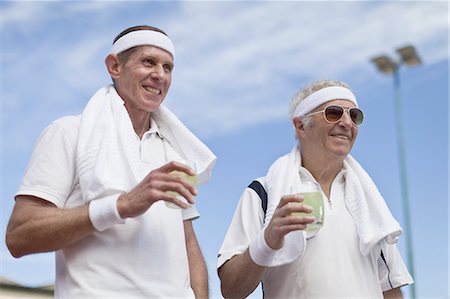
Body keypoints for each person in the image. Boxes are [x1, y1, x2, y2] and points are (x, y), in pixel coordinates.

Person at [6, 25, 216, 298]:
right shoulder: (68, 133)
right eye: (148, 62)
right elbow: (19, 236)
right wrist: (121, 205)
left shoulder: (175, 153)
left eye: (168, 67)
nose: (160, 75)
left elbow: (187, 243)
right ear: (114, 66)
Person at [217, 79, 413, 298]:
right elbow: (231, 289)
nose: (347, 123)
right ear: (301, 125)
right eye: (334, 113)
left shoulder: (369, 203)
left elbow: (391, 290)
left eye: (354, 115)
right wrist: (268, 238)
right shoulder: (264, 193)